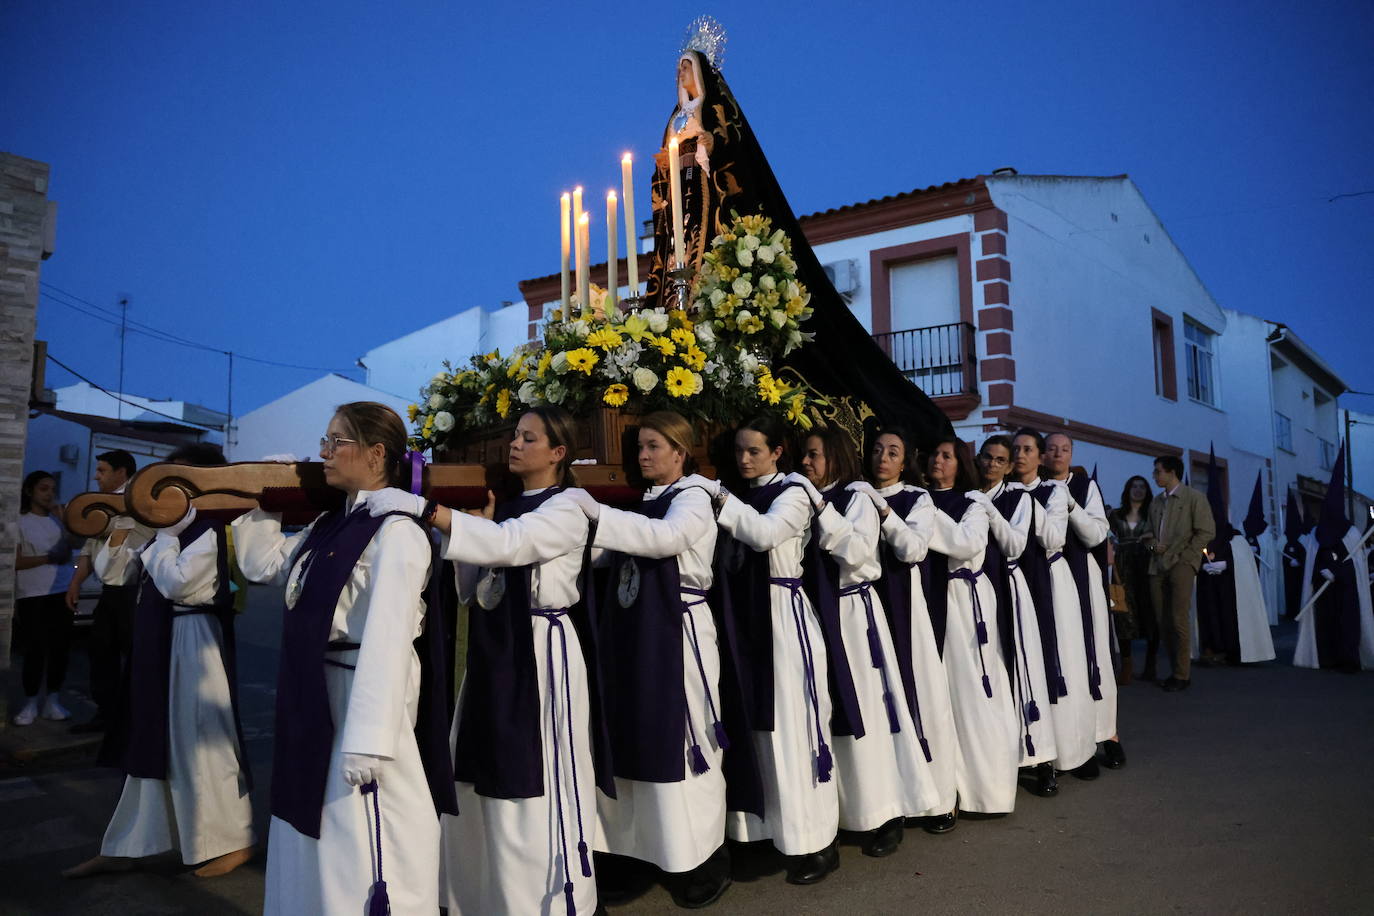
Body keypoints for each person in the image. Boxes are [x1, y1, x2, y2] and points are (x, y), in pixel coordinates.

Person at [371, 405, 612, 915]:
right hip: (494, 652)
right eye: (515, 435)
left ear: (559, 452)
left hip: (542, 650)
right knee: (480, 771)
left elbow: (512, 546)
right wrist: (465, 539)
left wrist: (428, 511)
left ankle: (549, 899)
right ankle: (485, 896)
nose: (515, 444)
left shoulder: (569, 506)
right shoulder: (504, 506)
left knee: (537, 774)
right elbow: (474, 589)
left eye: (529, 438)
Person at [233, 402, 449, 915]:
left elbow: (390, 636)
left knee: (362, 832)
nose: (325, 453)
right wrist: (262, 493)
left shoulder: (396, 530)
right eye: (324, 441)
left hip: (363, 694)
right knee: (313, 826)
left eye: (337, 442)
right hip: (315, 689)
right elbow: (265, 565)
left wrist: (369, 740)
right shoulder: (331, 522)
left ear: (376, 454)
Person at [63, 443, 255, 880]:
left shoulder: (208, 528)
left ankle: (233, 839)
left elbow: (178, 584)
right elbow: (116, 573)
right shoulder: (168, 528)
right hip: (160, 640)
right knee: (151, 739)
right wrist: (124, 532)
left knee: (202, 739)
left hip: (193, 640)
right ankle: (129, 843)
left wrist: (165, 538)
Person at [564, 411, 732, 909]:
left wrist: (593, 512)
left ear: (680, 452)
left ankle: (702, 857)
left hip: (679, 631)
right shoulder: (646, 502)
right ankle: (639, 851)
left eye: (654, 446)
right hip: (635, 633)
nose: (643, 456)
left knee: (685, 742)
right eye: (639, 446)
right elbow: (614, 551)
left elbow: (666, 539)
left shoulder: (694, 497)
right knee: (634, 737)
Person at [798, 426, 939, 858]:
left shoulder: (856, 496)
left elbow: (857, 553)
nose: (806, 463)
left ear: (834, 457)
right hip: (820, 614)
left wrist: (820, 508)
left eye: (814, 455)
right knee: (832, 716)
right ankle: (846, 811)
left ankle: (887, 811)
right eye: (804, 455)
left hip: (853, 615)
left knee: (870, 713)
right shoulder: (804, 496)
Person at [710, 414, 839, 884]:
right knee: (754, 730)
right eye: (739, 451)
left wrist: (719, 497)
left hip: (783, 618)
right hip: (745, 619)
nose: (744, 460)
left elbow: (764, 534)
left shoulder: (796, 491)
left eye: (754, 452)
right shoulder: (739, 496)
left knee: (792, 731)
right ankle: (763, 834)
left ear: (778, 452)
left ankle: (816, 841)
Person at [863, 426, 962, 833]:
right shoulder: (857, 494)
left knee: (923, 694)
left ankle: (940, 798)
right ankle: (894, 799)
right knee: (881, 700)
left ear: (905, 462)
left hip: (904, 602)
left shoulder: (917, 499)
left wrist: (885, 514)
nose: (883, 457)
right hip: (867, 604)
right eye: (877, 450)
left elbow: (914, 549)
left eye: (893, 452)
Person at [922, 437, 1018, 815]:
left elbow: (966, 544)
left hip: (962, 602)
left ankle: (985, 790)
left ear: (961, 464)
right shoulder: (917, 498)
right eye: (934, 454)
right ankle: (943, 793)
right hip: (927, 601)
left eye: (946, 456)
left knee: (972, 693)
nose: (938, 460)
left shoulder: (972, 503)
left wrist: (926, 511)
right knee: (937, 696)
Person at [972, 436, 1058, 797]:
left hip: (1009, 586)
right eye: (987, 458)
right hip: (978, 590)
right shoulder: (969, 494)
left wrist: (989, 511)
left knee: (1024, 669)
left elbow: (1015, 545)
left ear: (1009, 467)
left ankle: (1041, 758)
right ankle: (1001, 755)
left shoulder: (1019, 498)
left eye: (1000, 460)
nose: (992, 465)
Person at [1009, 430, 1095, 779]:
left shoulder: (1054, 492)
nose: (1020, 455)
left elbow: (1053, 538)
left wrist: (1028, 503)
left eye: (1028, 449)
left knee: (1064, 663)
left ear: (1040, 456)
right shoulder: (1000, 492)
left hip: (1052, 581)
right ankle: (1036, 752)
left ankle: (1074, 751)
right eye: (1015, 449)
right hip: (1017, 581)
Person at [1043, 434, 1123, 769]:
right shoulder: (1034, 486)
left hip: (1083, 577)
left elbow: (1096, 534)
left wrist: (1072, 505)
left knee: (1094, 654)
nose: (1058, 454)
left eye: (1065, 449)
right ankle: (1070, 741)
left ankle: (1108, 733)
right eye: (1052, 449)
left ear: (1072, 454)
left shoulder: (1084, 486)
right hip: (1048, 577)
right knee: (1064, 658)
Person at [66, 449, 145, 733]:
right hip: (110, 592)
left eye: (102, 471)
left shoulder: (138, 501)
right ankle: (107, 714)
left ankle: (136, 717)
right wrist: (76, 582)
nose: (96, 477)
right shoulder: (101, 503)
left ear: (121, 472)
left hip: (134, 591)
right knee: (101, 652)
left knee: (135, 655)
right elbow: (90, 547)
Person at [1146, 454, 1216, 691]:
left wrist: (1187, 557)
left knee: (1178, 619)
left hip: (1181, 564)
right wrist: (1153, 546)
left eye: (1158, 471)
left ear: (1172, 472)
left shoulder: (1194, 498)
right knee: (1162, 620)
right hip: (1157, 565)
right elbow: (1148, 533)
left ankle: (1181, 674)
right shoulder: (1156, 502)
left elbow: (1206, 531)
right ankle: (1175, 669)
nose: (1155, 476)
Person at [13, 471, 77, 725]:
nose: (50, 494)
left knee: (60, 649)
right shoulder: (20, 521)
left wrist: (66, 522)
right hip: (33, 594)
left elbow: (76, 545)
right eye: (43, 488)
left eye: (52, 489)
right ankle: (30, 702)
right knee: (35, 650)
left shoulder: (58, 520)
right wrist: (49, 558)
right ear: (29, 491)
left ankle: (53, 700)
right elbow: (16, 562)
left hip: (62, 591)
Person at [1108, 477, 1157, 681]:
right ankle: (1126, 667)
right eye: (1134, 486)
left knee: (1151, 613)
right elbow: (1106, 538)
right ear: (1127, 490)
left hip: (1147, 566)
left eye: (1142, 487)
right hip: (1121, 568)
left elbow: (1159, 540)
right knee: (1122, 614)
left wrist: (1151, 543)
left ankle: (1150, 667)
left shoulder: (1153, 514)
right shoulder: (1115, 514)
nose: (1138, 490)